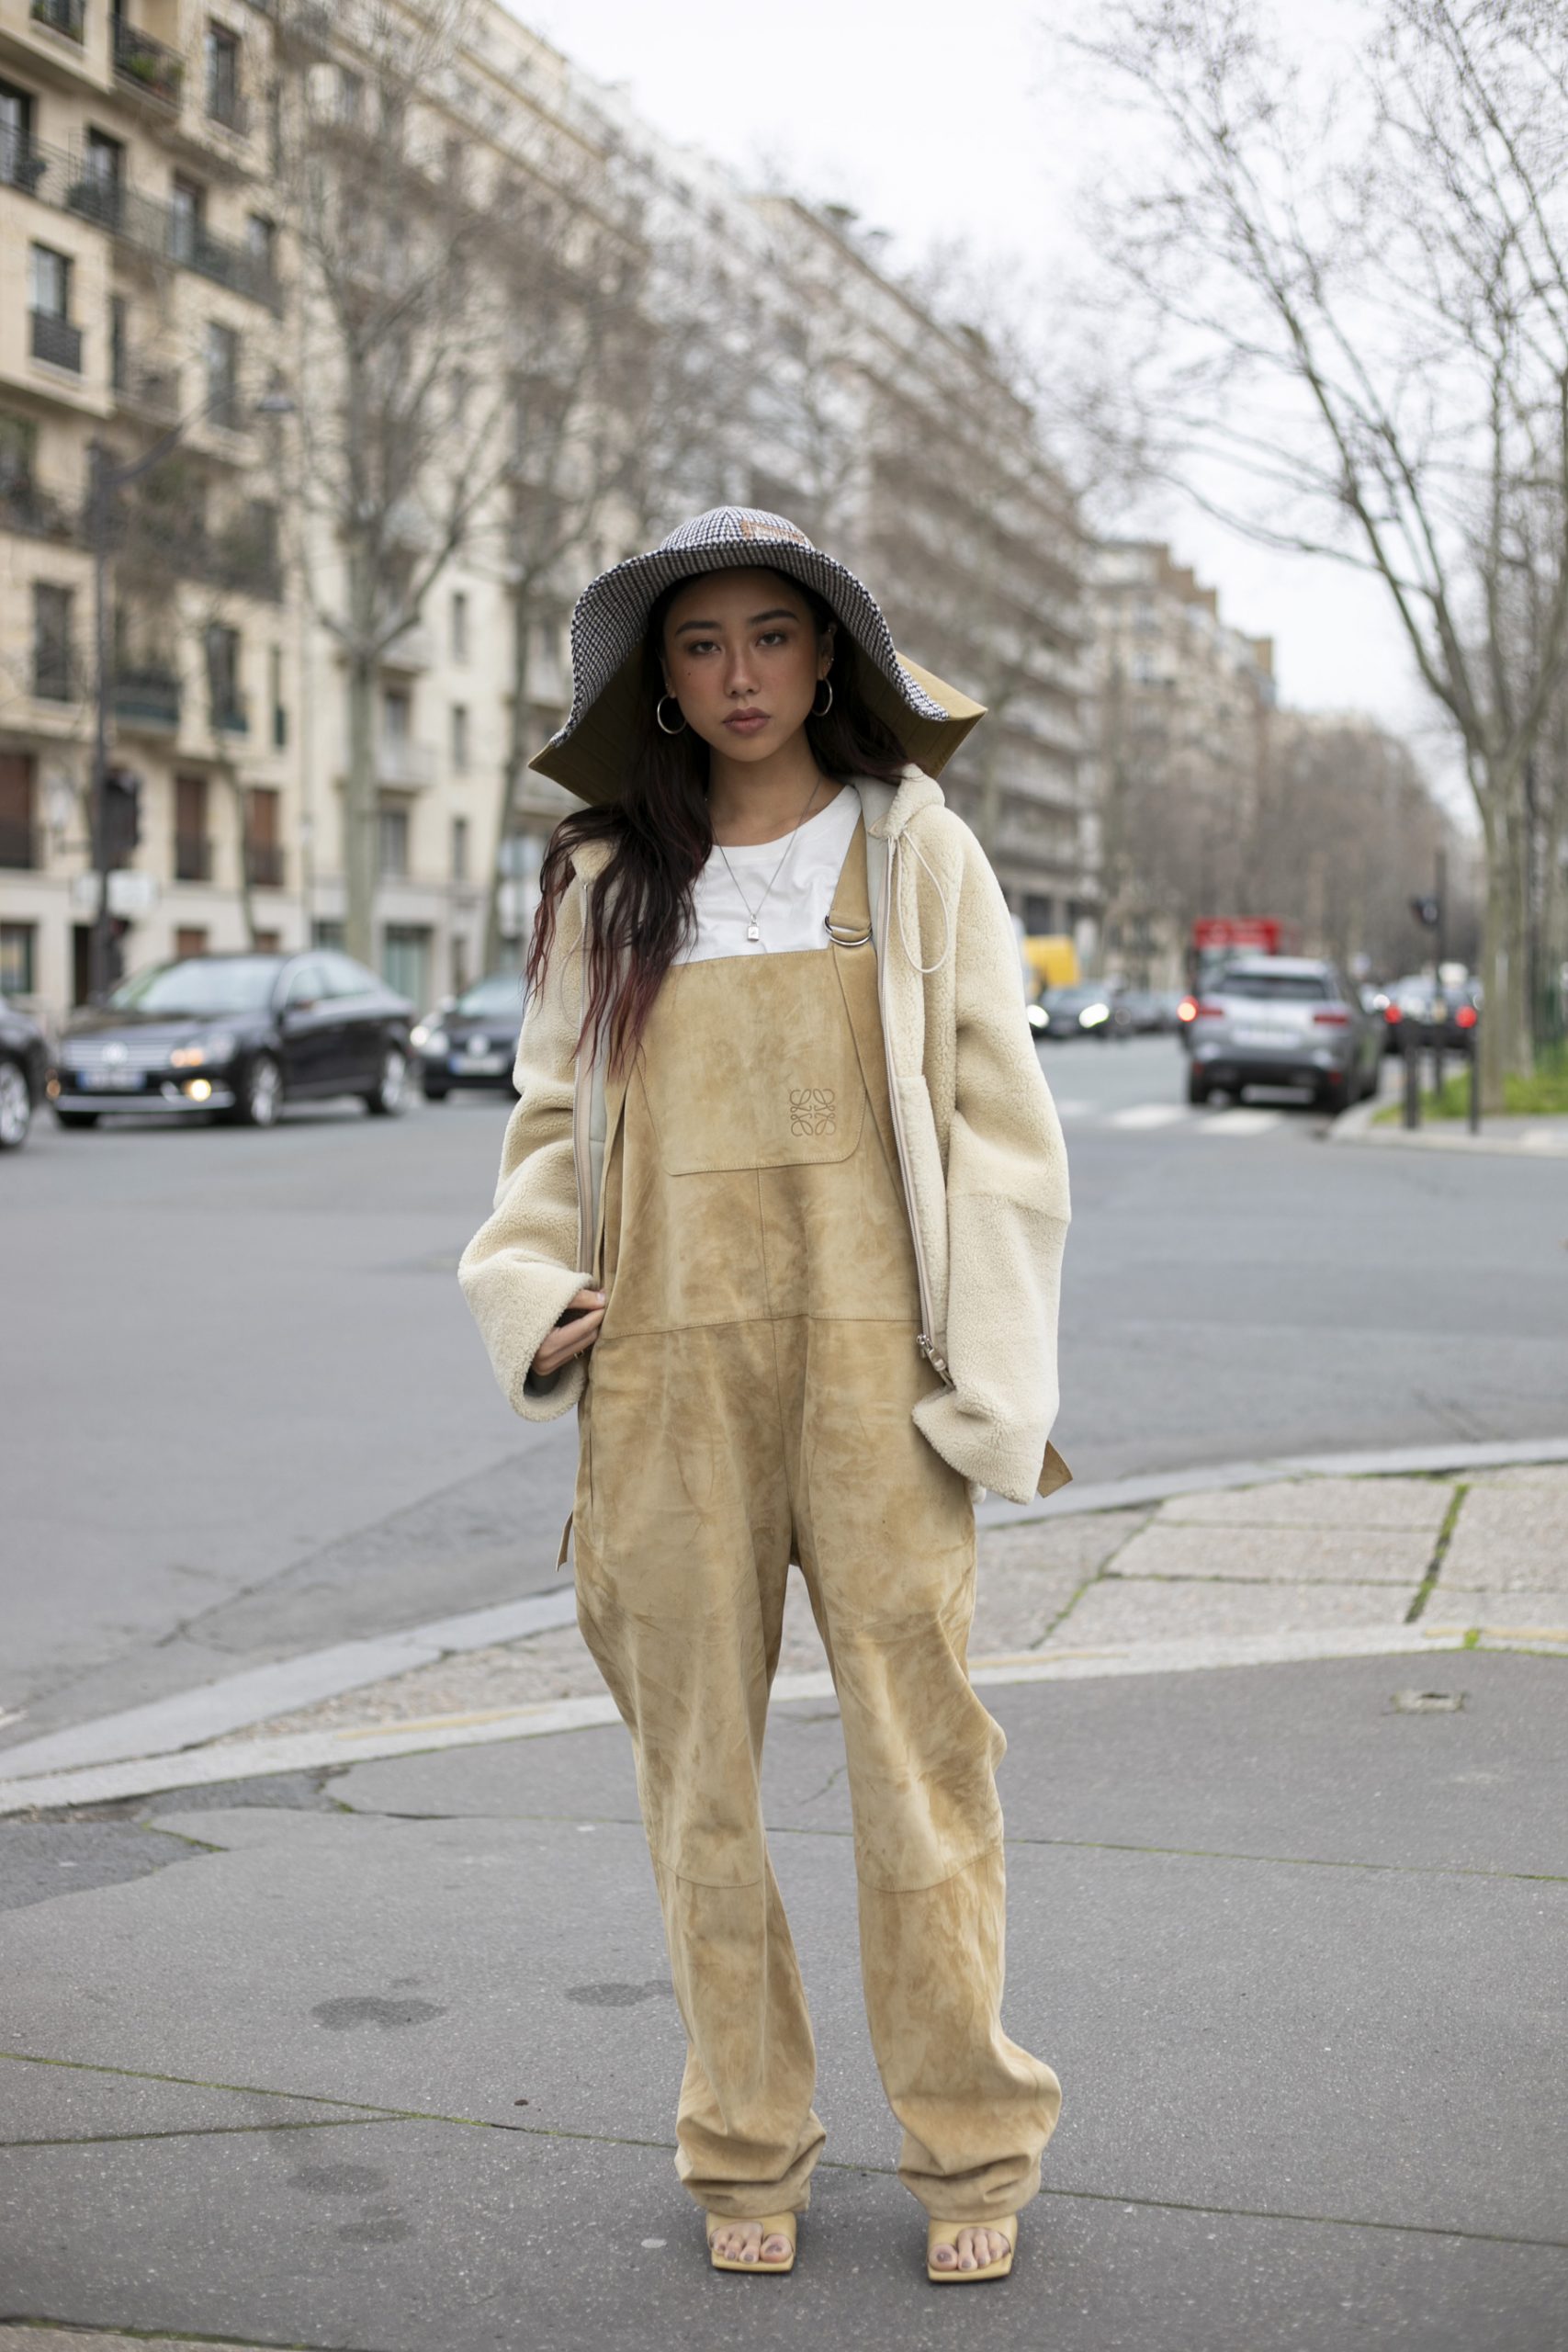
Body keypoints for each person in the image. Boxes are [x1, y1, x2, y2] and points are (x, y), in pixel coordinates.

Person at [460, 506, 1071, 2284]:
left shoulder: (916, 851)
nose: (740, 675)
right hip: (661, 1370)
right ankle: (745, 2138)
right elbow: (552, 1127)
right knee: (697, 1783)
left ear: (828, 659)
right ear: (664, 677)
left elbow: (1002, 1135)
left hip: (882, 1368)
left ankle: (973, 2145)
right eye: (704, 645)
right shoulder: (602, 881)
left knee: (921, 1763)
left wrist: (993, 1378)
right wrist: (528, 1290)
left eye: (772, 638)